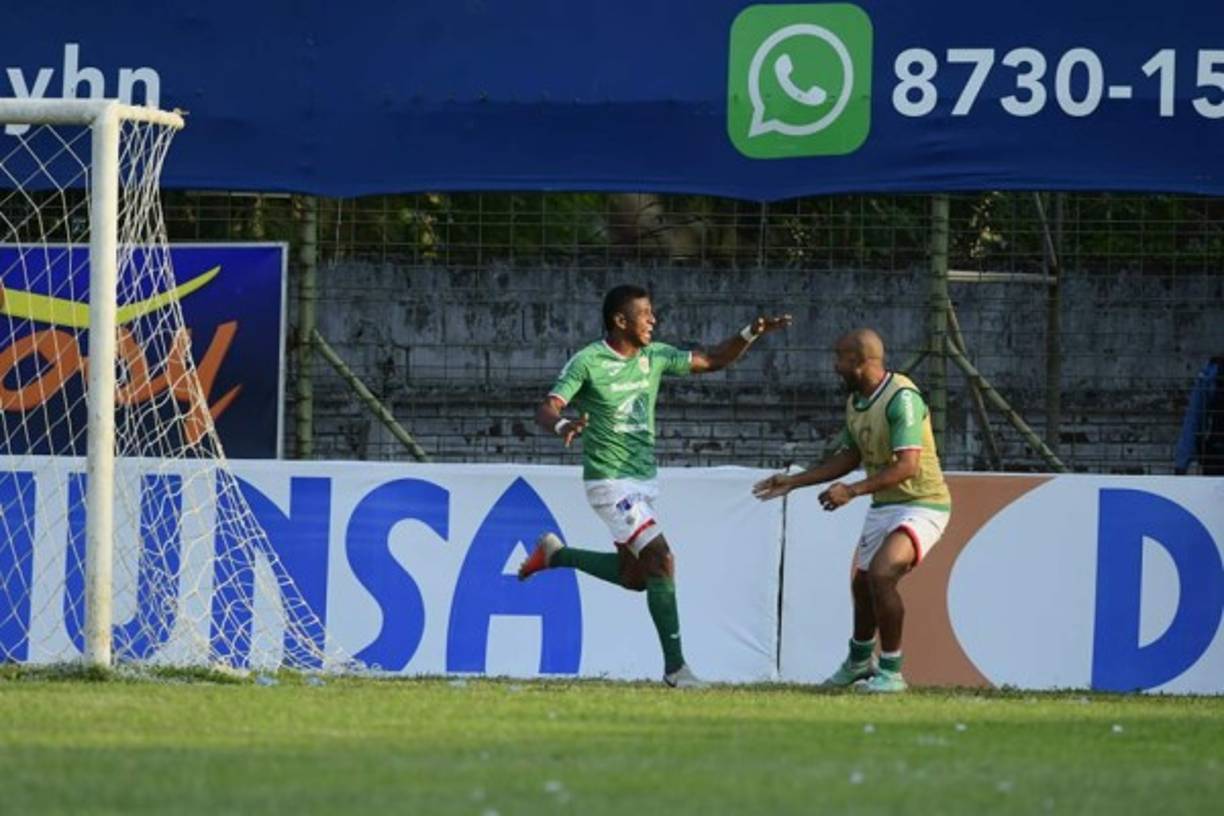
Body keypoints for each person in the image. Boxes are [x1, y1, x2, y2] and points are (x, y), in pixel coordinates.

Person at [518, 284, 791, 688]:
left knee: (636, 577)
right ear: (620, 321)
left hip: (642, 481)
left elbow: (714, 359)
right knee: (662, 559)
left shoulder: (656, 356)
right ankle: (676, 670)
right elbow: (548, 407)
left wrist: (750, 333)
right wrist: (564, 425)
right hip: (610, 481)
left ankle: (556, 556)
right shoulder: (588, 361)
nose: (653, 320)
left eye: (652, 313)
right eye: (645, 313)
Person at [752, 328, 951, 693]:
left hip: (923, 504)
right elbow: (849, 457)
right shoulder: (856, 401)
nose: (834, 366)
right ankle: (859, 662)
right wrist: (794, 482)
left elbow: (907, 466)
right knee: (862, 585)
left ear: (861, 362)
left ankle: (891, 672)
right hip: (885, 505)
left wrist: (853, 491)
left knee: (881, 575)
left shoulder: (902, 398)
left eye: (840, 358)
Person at [1174, 356, 1224, 476]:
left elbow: (1194, 418)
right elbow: (1194, 418)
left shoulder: (1213, 372)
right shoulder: (1214, 372)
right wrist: (1182, 464)